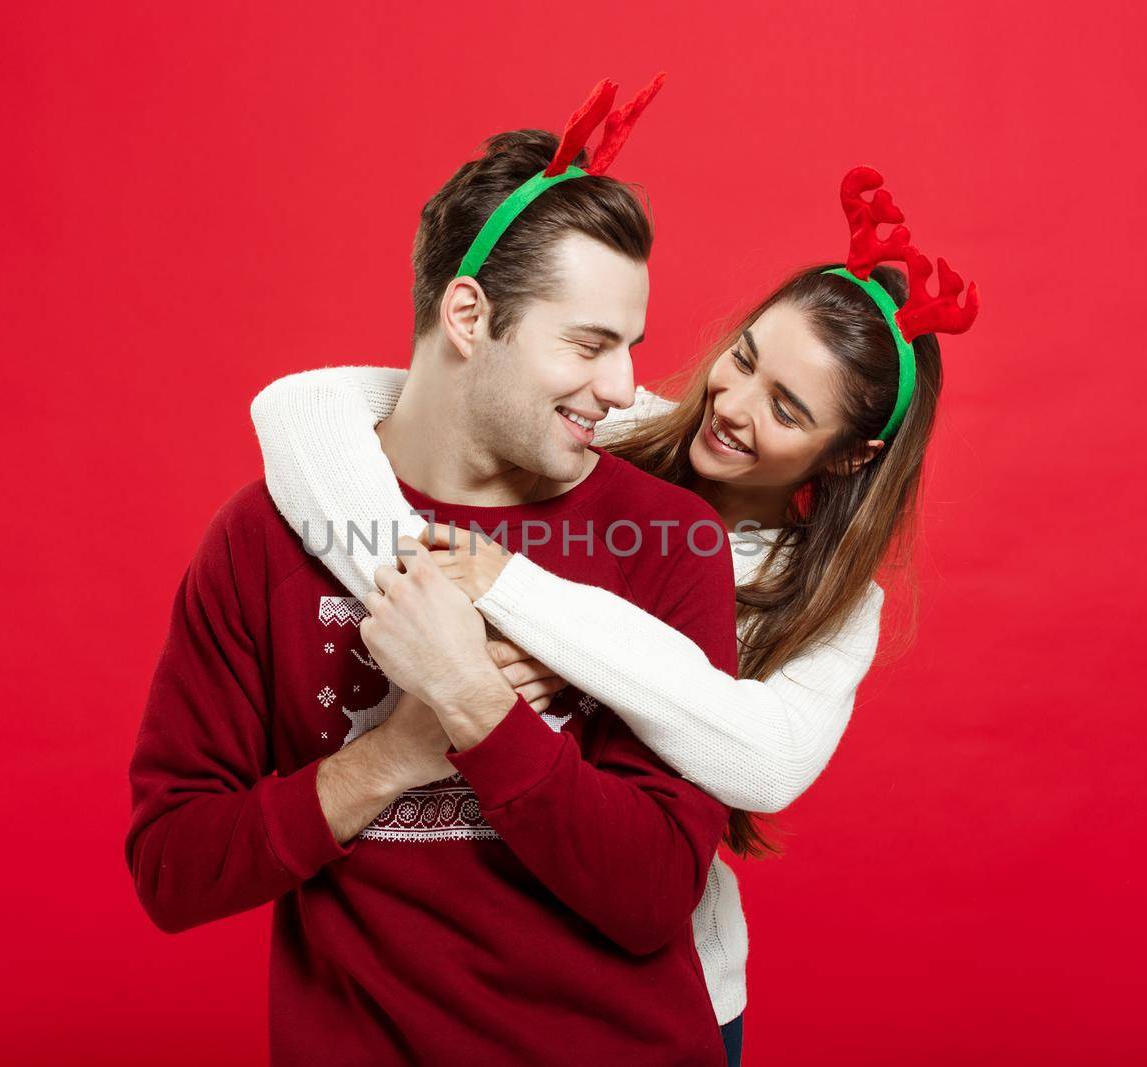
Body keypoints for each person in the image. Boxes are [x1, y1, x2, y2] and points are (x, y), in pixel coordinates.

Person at [252, 166, 980, 1064]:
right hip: (458, 950)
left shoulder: (834, 604)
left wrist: (521, 600)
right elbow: (300, 407)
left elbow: (767, 758)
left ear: (849, 455)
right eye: (745, 358)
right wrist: (427, 602)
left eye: (787, 410)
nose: (733, 406)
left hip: (660, 981)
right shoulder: (612, 425)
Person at [128, 80, 744, 1066]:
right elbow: (172, 867)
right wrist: (391, 754)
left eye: (631, 345)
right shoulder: (262, 539)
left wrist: (469, 701)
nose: (625, 386)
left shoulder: (668, 540)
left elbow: (653, 892)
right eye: (588, 343)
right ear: (468, 314)